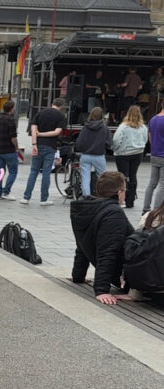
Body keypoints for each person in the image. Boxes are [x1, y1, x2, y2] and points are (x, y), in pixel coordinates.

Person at [70, 171, 133, 305]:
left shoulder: (84, 209)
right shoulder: (113, 213)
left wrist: (78, 276)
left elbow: (82, 244)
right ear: (119, 193)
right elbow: (108, 251)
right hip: (128, 276)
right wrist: (101, 290)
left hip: (120, 274)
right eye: (125, 191)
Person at [21, 96, 67, 206]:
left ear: (52, 103)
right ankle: (43, 199)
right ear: (61, 106)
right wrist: (43, 134)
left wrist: (34, 144)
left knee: (33, 172)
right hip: (50, 147)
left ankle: (26, 197)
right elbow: (56, 132)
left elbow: (33, 129)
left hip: (38, 145)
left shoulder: (40, 113)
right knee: (46, 173)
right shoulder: (61, 116)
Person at [111, 105, 148, 210]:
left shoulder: (123, 126)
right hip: (138, 153)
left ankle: (123, 198)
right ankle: (130, 200)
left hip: (124, 153)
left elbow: (117, 139)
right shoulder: (143, 127)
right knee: (133, 175)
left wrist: (116, 149)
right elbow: (145, 140)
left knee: (123, 176)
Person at [75, 107, 112, 197]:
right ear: (101, 116)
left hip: (86, 155)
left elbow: (79, 143)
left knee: (85, 176)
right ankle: (102, 195)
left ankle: (86, 195)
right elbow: (109, 143)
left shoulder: (85, 127)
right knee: (102, 177)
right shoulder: (104, 128)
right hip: (99, 155)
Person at [0, 99, 22, 200]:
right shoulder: (11, 120)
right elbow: (13, 137)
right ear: (12, 109)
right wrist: (17, 148)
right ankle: (6, 192)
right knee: (13, 171)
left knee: (0, 172)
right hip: (9, 150)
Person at [142, 99, 164, 216]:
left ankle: (146, 208)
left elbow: (150, 138)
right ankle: (156, 210)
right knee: (163, 184)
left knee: (152, 183)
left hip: (154, 154)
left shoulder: (153, 119)